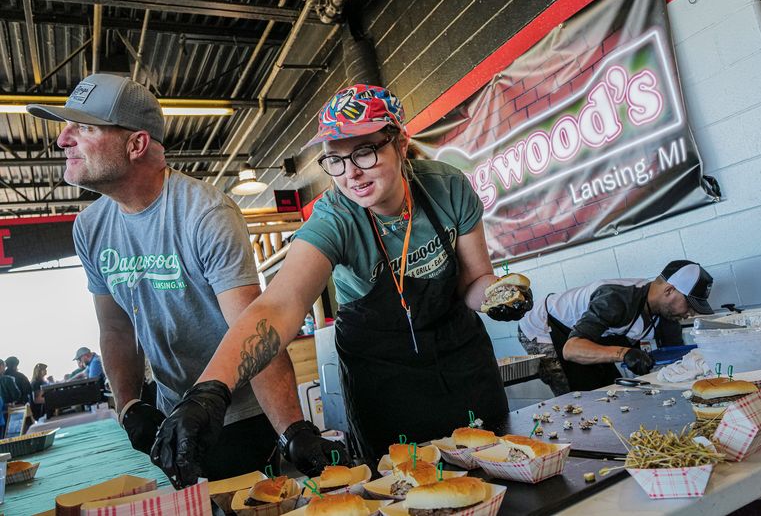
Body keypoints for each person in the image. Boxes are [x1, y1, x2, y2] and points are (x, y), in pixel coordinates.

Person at [150, 84, 533, 486]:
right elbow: (280, 304)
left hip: (464, 362)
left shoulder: (447, 187)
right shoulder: (335, 217)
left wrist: (496, 295)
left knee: (499, 480)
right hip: (384, 382)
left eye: (365, 152)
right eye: (335, 159)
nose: (351, 173)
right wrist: (211, 389)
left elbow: (474, 280)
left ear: (400, 144)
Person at [26, 74, 343, 482]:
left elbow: (254, 325)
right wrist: (130, 406)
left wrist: (293, 431)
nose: (62, 139)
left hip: (236, 412)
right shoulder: (89, 227)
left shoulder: (205, 214)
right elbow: (116, 327)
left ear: (136, 144)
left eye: (83, 127)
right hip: (171, 410)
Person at [517, 260, 714, 395]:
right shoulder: (616, 299)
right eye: (689, 304)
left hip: (586, 333)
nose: (691, 313)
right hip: (545, 329)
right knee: (580, 395)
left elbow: (678, 362)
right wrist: (624, 353)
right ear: (669, 290)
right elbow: (571, 350)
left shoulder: (666, 313)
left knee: (611, 388)